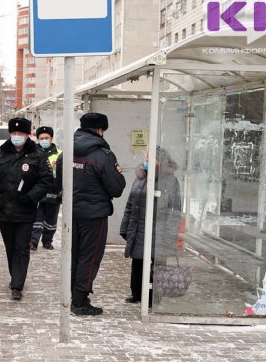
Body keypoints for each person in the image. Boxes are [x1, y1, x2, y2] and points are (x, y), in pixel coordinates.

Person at [57, 112, 126, 315]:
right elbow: (116, 187)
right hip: (94, 216)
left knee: (74, 255)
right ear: (100, 130)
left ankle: (72, 294)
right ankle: (79, 301)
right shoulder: (103, 155)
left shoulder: (67, 151)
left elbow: (55, 180)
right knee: (90, 257)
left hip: (71, 213)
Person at [0, 117, 53, 300]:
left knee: (22, 248)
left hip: (26, 211)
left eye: (20, 133)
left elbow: (46, 180)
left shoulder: (37, 155)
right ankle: (15, 275)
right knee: (10, 248)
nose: (16, 137)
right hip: (4, 210)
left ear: (27, 135)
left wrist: (31, 197)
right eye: (14, 133)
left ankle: (17, 285)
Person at [120, 147, 181, 304]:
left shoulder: (170, 181)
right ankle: (137, 293)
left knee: (157, 264)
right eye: (146, 157)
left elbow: (175, 209)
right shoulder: (141, 177)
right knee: (138, 260)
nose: (146, 160)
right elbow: (130, 204)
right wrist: (125, 227)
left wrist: (170, 232)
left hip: (159, 229)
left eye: (150, 157)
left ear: (160, 160)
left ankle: (154, 296)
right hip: (139, 227)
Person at [30, 126, 62, 251]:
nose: (44, 140)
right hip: (38, 192)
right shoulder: (33, 154)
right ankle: (33, 241)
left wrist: (61, 191)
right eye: (41, 138)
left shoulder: (60, 154)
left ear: (51, 138)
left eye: (46, 138)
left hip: (54, 192)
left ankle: (47, 241)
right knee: (37, 218)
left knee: (51, 219)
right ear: (38, 139)